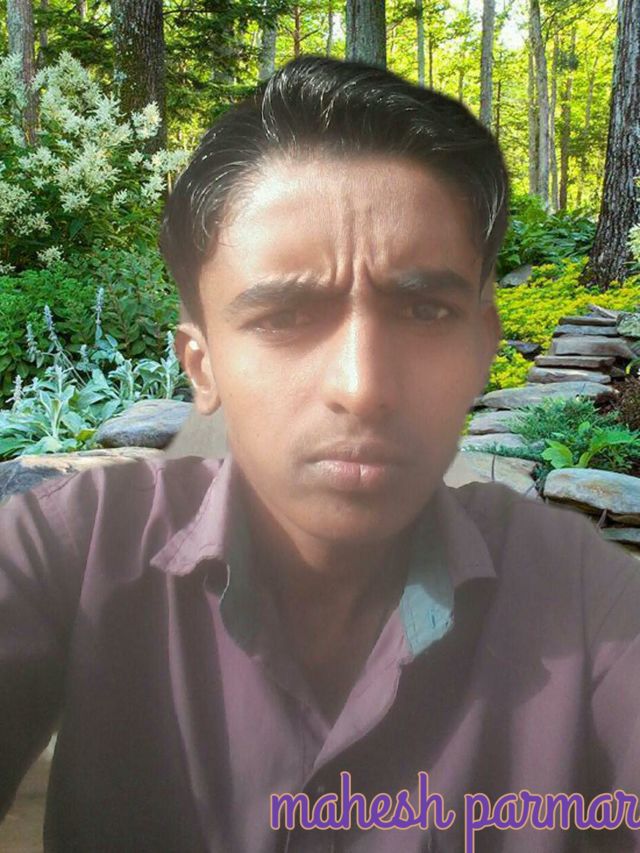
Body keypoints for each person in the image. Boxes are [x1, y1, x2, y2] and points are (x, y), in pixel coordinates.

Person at [1, 55, 639, 853]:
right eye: (283, 317)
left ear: (484, 345)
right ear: (203, 365)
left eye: (424, 310)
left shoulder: (585, 599)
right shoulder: (70, 551)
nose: (362, 386)